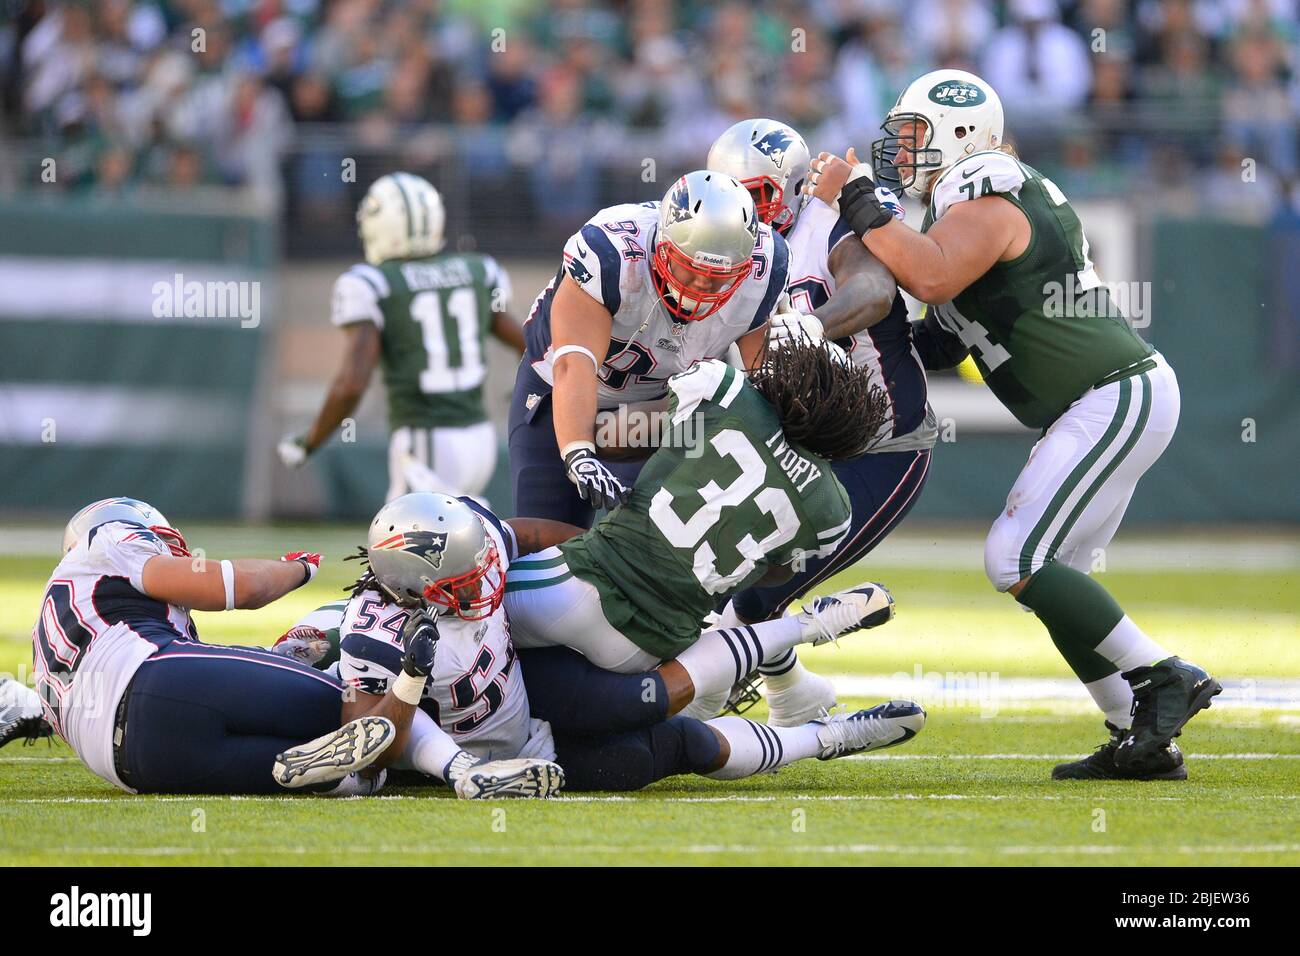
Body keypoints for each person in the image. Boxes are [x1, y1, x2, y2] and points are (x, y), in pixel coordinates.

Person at [807, 68, 1221, 780]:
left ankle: (1165, 674)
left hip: (1111, 394)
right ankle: (1139, 736)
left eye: (913, 135)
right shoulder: (955, 214)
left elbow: (932, 277)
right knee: (1057, 580)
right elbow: (940, 334)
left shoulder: (987, 183)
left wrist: (856, 200)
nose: (899, 152)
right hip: (1094, 403)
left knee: (1014, 556)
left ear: (961, 135)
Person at [282, 491, 925, 793]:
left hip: (533, 691)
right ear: (413, 587)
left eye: (481, 561)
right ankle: (830, 738)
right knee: (678, 743)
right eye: (463, 580)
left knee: (642, 698)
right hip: (506, 750)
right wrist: (411, 688)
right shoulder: (375, 631)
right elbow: (365, 748)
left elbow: (522, 532)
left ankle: (805, 627)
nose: (485, 579)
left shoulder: (468, 540)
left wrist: (599, 555)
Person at [504, 334, 897, 731]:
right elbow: (771, 573)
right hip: (648, 649)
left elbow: (618, 436)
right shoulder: (833, 510)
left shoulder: (724, 390)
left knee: (455, 609)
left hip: (573, 586)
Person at [707, 118, 936, 722]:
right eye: (731, 195)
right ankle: (793, 694)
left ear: (791, 184)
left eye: (756, 194)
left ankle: (700, 708)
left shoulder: (827, 223)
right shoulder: (733, 248)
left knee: (753, 595)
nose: (744, 211)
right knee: (719, 577)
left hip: (884, 445)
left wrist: (811, 326)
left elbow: (873, 293)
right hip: (798, 447)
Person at [30, 496, 392, 795]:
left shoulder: (55, 629)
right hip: (153, 679)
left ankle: (334, 778)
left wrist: (270, 659)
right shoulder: (110, 538)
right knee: (360, 709)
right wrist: (299, 568)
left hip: (135, 765)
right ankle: (433, 745)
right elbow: (240, 587)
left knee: (340, 769)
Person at [509, 169, 787, 527]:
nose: (701, 284)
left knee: (664, 547)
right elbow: (572, 365)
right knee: (546, 542)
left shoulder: (766, 271)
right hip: (560, 393)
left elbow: (764, 379)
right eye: (689, 269)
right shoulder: (610, 255)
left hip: (662, 409)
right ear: (661, 247)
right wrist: (579, 453)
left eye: (718, 276)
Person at [279, 172, 525, 502]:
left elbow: (352, 382)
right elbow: (530, 342)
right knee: (461, 538)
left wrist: (310, 441)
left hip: (425, 437)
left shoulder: (373, 283)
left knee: (404, 547)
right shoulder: (478, 270)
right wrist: (525, 390)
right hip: (481, 439)